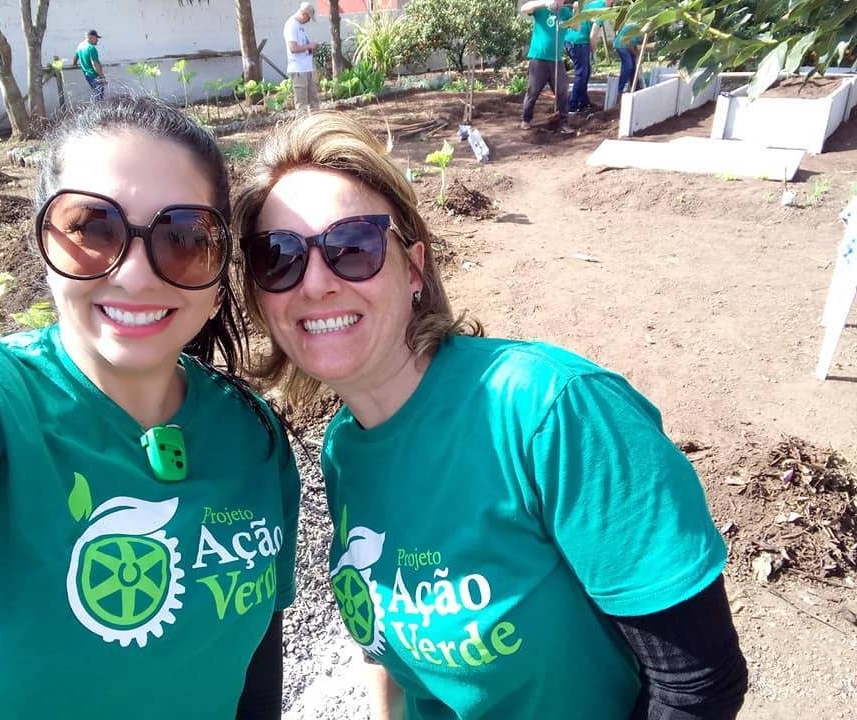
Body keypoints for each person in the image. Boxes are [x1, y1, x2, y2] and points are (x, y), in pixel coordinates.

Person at [232, 112, 749, 720]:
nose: (315, 283)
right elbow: (381, 640)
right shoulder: (346, 447)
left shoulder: (552, 411)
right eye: (278, 257)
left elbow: (697, 686)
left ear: (414, 268)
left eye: (353, 247)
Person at [0, 96, 299, 719]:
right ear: (43, 243)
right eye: (92, 228)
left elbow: (256, 673)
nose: (136, 275)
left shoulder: (253, 436)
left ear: (220, 270)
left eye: (183, 238)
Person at [520, 0, 574, 135]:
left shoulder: (566, 13)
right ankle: (526, 119)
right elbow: (524, 8)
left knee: (562, 89)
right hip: (538, 58)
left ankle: (563, 122)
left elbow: (577, 27)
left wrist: (573, 16)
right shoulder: (541, 9)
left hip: (556, 60)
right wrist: (545, 3)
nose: (559, 1)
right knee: (533, 91)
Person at [563, 0, 612, 113]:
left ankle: (583, 102)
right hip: (578, 41)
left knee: (586, 71)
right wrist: (594, 51)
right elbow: (593, 34)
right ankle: (572, 106)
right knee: (581, 73)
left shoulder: (595, 4)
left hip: (572, 40)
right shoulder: (602, 9)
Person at [283, 2, 319, 112]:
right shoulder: (291, 25)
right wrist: (309, 46)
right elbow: (293, 48)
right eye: (309, 18)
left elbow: (302, 46)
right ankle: (302, 122)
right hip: (298, 69)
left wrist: (310, 47)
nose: (309, 21)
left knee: (314, 100)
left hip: (306, 68)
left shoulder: (300, 26)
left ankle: (317, 121)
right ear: (304, 14)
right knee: (301, 104)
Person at [73, 29, 107, 100]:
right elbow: (95, 64)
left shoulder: (80, 46)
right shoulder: (91, 48)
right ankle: (98, 107)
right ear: (91, 37)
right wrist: (102, 77)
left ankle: (95, 106)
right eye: (96, 38)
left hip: (88, 76)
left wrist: (75, 64)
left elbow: (75, 58)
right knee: (99, 96)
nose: (97, 40)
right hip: (95, 76)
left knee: (96, 94)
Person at [615, 20, 643, 94]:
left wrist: (637, 56)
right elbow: (630, 45)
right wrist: (637, 55)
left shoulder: (638, 28)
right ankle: (619, 89)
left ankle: (635, 87)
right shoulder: (636, 28)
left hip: (627, 46)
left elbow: (634, 45)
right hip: (621, 46)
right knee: (628, 66)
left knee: (634, 66)